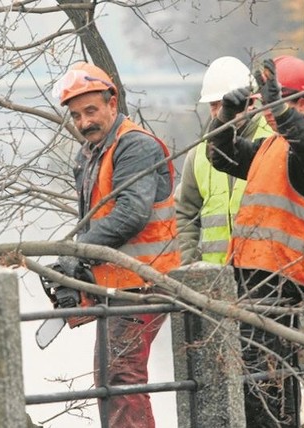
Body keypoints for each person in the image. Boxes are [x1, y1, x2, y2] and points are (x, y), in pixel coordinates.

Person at [206, 55, 304, 428]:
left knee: (268, 382)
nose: (268, 113)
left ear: (302, 102)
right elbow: (219, 155)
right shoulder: (271, 147)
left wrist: (279, 110)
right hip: (255, 282)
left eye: (277, 103)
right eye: (266, 104)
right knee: (259, 380)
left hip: (283, 286)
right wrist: (225, 119)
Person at [51, 61, 181, 428]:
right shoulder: (93, 152)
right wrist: (77, 264)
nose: (84, 122)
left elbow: (131, 214)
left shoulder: (134, 146)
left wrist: (76, 253)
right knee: (110, 379)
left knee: (122, 377)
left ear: (113, 101)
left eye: (91, 111)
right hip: (118, 282)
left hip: (142, 281)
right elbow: (99, 219)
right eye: (76, 116)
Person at [175, 56, 273, 265]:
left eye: (225, 104)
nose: (220, 112)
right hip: (215, 281)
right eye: (214, 105)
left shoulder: (272, 140)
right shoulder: (200, 153)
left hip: (265, 277)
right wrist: (190, 265)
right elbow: (184, 214)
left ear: (250, 102)